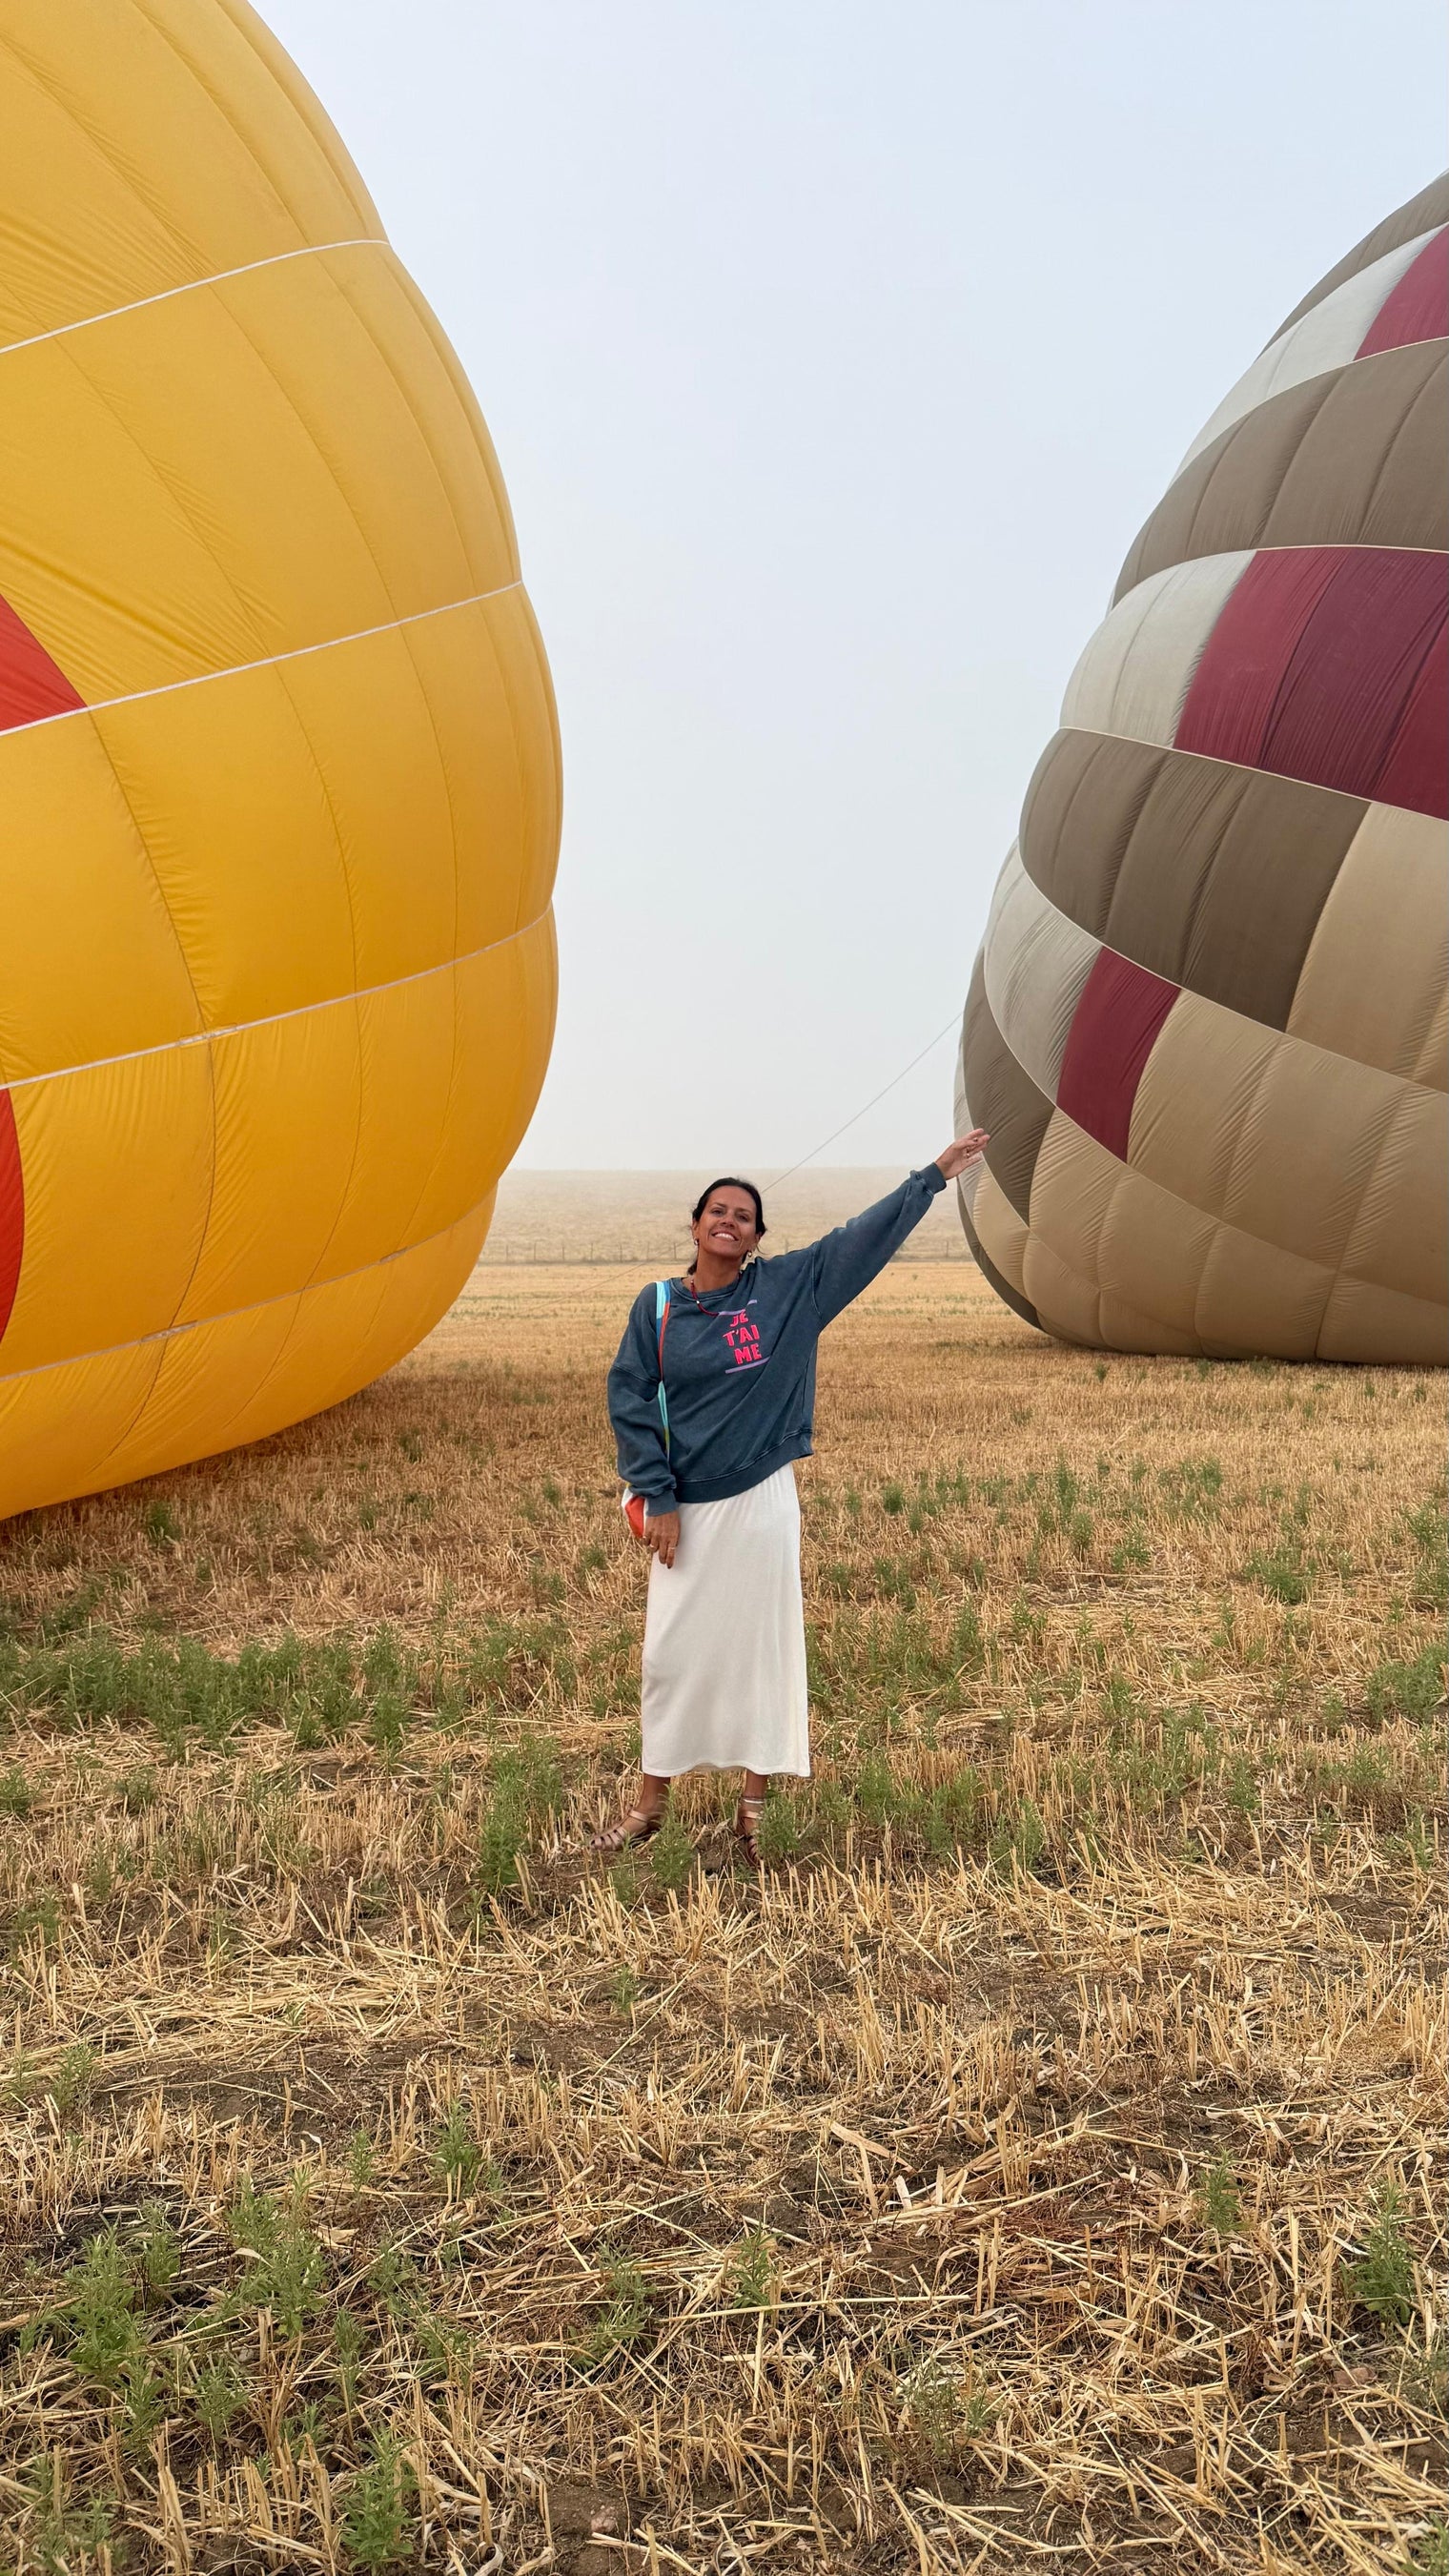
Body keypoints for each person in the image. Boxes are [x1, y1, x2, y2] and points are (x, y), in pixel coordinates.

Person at [597, 1137, 989, 1868]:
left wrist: (929, 1179)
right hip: (687, 1507)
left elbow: (857, 1242)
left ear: (757, 1238)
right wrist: (658, 1495)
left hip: (763, 1502)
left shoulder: (785, 1291)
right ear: (695, 1225)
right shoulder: (656, 1307)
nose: (730, 1222)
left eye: (744, 1216)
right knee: (671, 1655)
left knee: (764, 1653)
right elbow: (630, 1402)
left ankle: (753, 1812)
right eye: (718, 1211)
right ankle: (650, 1805)